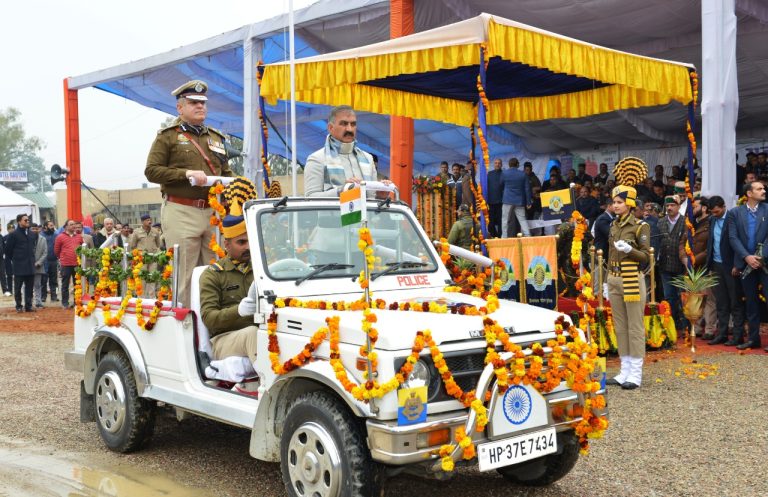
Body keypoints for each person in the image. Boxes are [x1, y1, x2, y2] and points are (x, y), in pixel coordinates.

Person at [145, 80, 236, 308]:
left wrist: (234, 186)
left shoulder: (216, 138)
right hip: (181, 210)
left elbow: (226, 172)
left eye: (203, 103)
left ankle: (214, 323)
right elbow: (152, 171)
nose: (200, 107)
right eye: (194, 102)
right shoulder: (168, 136)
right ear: (180, 108)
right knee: (183, 276)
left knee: (216, 272)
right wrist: (185, 174)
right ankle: (184, 329)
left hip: (212, 212)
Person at [199, 211, 258, 379]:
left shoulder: (261, 270)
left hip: (260, 333)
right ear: (227, 244)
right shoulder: (213, 274)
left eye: (249, 241)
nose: (247, 246)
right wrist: (238, 311)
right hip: (224, 340)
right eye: (241, 242)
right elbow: (209, 318)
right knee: (252, 333)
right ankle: (269, 385)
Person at [605, 183, 650, 390]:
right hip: (614, 278)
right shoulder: (614, 225)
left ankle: (636, 373)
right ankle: (624, 370)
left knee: (635, 326)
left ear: (629, 204)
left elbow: (645, 258)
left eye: (619, 202)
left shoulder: (641, 226)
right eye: (614, 202)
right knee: (620, 327)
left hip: (631, 278)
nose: (615, 206)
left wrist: (630, 250)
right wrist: (606, 281)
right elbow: (609, 255)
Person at [304, 105, 382, 197]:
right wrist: (341, 191)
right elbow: (310, 198)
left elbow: (372, 198)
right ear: (330, 128)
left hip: (365, 212)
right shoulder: (317, 159)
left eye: (353, 124)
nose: (349, 129)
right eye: (344, 124)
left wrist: (381, 194)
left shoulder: (368, 159)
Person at [727, 181, 768, 351]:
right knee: (750, 302)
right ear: (749, 193)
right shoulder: (735, 213)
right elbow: (733, 238)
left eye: (763, 188)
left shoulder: (767, 209)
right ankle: (753, 339)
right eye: (759, 188)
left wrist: (761, 256)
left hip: (765, 262)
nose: (764, 190)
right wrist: (747, 257)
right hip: (745, 264)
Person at [706, 196, 746, 346]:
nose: (714, 214)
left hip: (731, 266)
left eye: (716, 211)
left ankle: (737, 336)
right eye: (712, 212)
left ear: (723, 207)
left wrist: (738, 264)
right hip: (716, 265)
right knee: (721, 302)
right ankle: (721, 334)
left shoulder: (733, 218)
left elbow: (738, 242)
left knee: (735, 302)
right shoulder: (712, 220)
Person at [679, 195, 715, 339]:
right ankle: (697, 327)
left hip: (704, 267)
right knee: (694, 298)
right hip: (689, 267)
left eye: (694, 207)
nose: (691, 210)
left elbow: (710, 248)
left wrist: (693, 260)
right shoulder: (690, 223)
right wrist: (683, 257)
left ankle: (710, 329)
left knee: (708, 299)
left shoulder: (711, 223)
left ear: (704, 208)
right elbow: (681, 242)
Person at [656, 195, 687, 334]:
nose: (669, 208)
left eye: (672, 205)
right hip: (664, 265)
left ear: (679, 206)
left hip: (680, 265)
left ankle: (685, 324)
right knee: (669, 296)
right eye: (667, 206)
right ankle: (673, 324)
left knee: (682, 296)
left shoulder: (685, 222)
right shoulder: (660, 222)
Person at [5, 214, 37, 312]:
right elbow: (8, 251)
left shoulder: (32, 234)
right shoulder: (13, 235)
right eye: (25, 220)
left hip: (30, 266)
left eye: (28, 220)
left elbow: (33, 248)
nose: (28, 221)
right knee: (18, 288)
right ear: (19, 222)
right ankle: (19, 306)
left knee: (29, 288)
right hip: (19, 266)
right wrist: (16, 260)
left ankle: (28, 306)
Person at [130, 214, 163, 297]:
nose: (150, 221)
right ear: (142, 222)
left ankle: (152, 297)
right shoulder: (136, 232)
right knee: (142, 277)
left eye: (150, 220)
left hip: (153, 258)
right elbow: (133, 245)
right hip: (141, 258)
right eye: (147, 220)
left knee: (152, 276)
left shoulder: (155, 231)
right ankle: (141, 296)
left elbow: (158, 244)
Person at [54, 219, 83, 309]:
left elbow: (83, 248)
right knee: (65, 284)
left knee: (77, 284)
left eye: (74, 224)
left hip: (77, 264)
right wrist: (63, 257)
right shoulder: (60, 237)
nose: (73, 226)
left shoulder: (79, 237)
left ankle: (76, 302)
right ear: (66, 226)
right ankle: (65, 303)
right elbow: (56, 251)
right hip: (65, 264)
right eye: (71, 224)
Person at [501, 157, 532, 237]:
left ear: (509, 164)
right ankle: (528, 235)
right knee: (522, 219)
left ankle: (504, 237)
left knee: (505, 220)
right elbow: (527, 189)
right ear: (517, 164)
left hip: (507, 199)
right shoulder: (523, 174)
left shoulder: (504, 173)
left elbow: (500, 184)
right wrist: (528, 202)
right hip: (519, 200)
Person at [30, 223, 47, 308]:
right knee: (27, 285)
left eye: (36, 229)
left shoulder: (43, 239)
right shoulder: (26, 238)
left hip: (38, 266)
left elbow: (45, 252)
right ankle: (28, 302)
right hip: (28, 266)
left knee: (38, 284)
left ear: (38, 230)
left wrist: (39, 262)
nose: (35, 230)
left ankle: (38, 302)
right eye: (33, 229)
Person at [41, 221, 58, 302]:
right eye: (50, 225)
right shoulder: (41, 236)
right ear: (45, 227)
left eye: (53, 225)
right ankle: (43, 296)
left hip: (54, 260)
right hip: (44, 261)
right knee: (43, 279)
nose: (52, 227)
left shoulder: (56, 235)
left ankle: (54, 296)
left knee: (54, 280)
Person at [486, 158, 504, 238]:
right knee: (491, 221)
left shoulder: (504, 174)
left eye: (499, 163)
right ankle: (492, 236)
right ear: (493, 164)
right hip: (490, 201)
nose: (497, 164)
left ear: (501, 164)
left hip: (501, 201)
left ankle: (500, 236)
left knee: (501, 221)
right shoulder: (489, 174)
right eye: (496, 163)